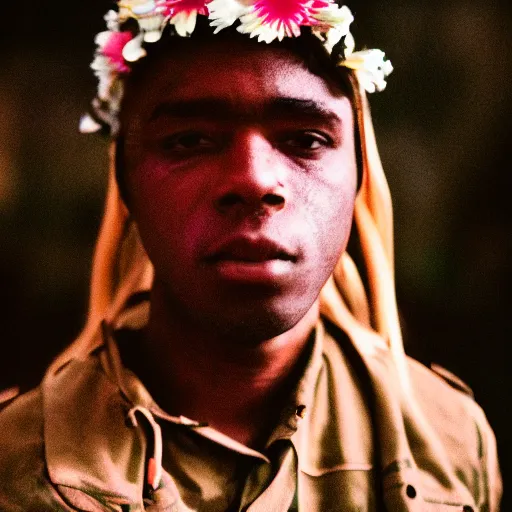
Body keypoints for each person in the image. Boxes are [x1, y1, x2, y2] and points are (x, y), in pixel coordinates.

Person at [0, 1, 502, 510]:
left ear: (359, 176)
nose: (255, 179)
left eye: (305, 140)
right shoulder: (13, 463)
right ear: (125, 183)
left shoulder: (451, 443)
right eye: (190, 139)